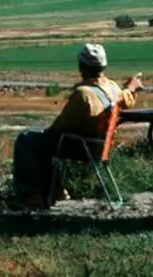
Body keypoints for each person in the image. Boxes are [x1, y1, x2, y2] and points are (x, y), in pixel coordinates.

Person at [12, 43, 142, 207]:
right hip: (102, 147)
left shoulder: (83, 94)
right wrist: (131, 88)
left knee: (28, 140)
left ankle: (31, 195)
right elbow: (126, 99)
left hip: (83, 147)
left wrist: (48, 133)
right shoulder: (114, 88)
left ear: (82, 67)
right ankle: (56, 190)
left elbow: (60, 128)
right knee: (44, 142)